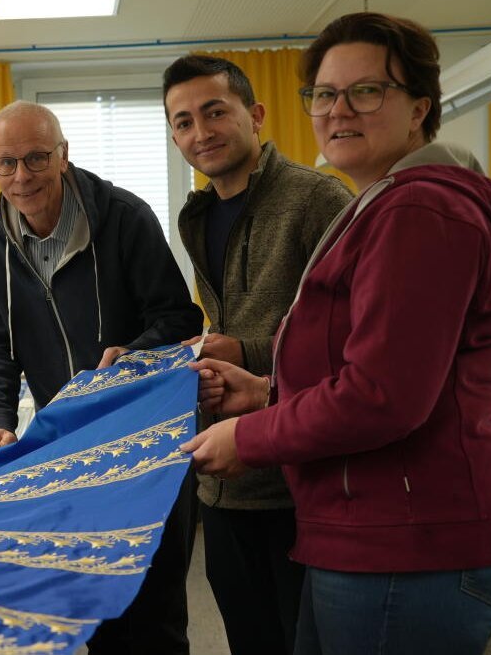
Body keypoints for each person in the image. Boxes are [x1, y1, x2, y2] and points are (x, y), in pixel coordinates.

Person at [182, 12, 491, 655]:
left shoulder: (420, 211)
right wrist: (263, 393)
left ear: (419, 107)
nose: (338, 110)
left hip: (412, 542)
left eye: (366, 91)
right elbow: (366, 367)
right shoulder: (386, 205)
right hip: (369, 531)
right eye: (324, 93)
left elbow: (381, 396)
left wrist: (251, 436)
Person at [0, 100, 203, 653]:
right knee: (86, 597)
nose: (21, 176)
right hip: (69, 444)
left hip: (146, 437)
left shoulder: (123, 217)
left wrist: (134, 356)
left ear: (63, 155)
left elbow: (178, 318)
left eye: (36, 158)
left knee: (153, 606)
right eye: (6, 163)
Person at [162, 55, 352, 655]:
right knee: (250, 639)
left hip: (299, 485)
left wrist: (244, 351)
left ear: (256, 114)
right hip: (224, 481)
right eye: (184, 122)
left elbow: (353, 341)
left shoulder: (317, 199)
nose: (201, 132)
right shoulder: (196, 217)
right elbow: (226, 324)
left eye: (215, 112)